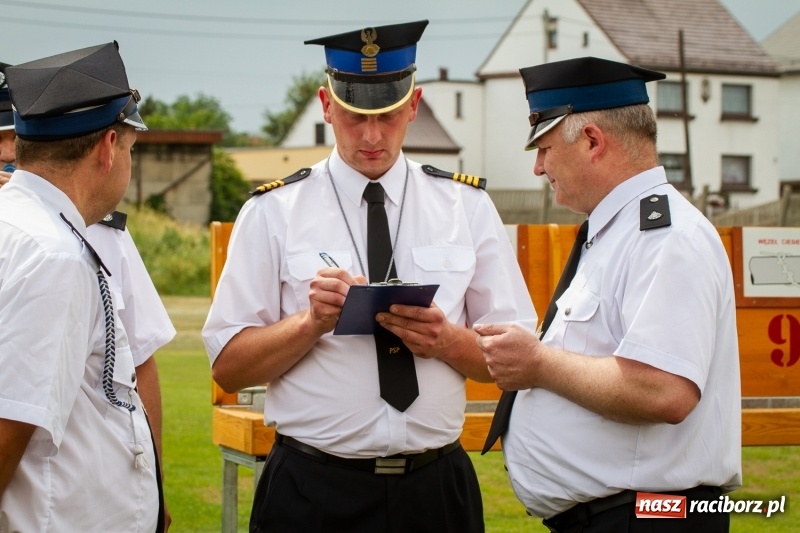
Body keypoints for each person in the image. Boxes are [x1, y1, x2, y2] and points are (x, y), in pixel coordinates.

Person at [203, 20, 537, 533]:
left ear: (413, 104)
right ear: (326, 105)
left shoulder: (465, 206)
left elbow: (515, 361)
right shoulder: (274, 210)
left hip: (434, 490)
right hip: (312, 492)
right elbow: (228, 367)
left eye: (386, 114)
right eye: (356, 115)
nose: (372, 135)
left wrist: (446, 340)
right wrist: (309, 323)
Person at [475, 56, 742, 532]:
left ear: (593, 141)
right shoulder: (619, 232)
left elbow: (664, 391)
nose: (538, 167)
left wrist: (537, 364)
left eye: (545, 146)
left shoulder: (666, 237)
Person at [0, 66, 176, 526]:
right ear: (109, 148)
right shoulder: (53, 255)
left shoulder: (19, 225)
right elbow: (10, 425)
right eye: (131, 150)